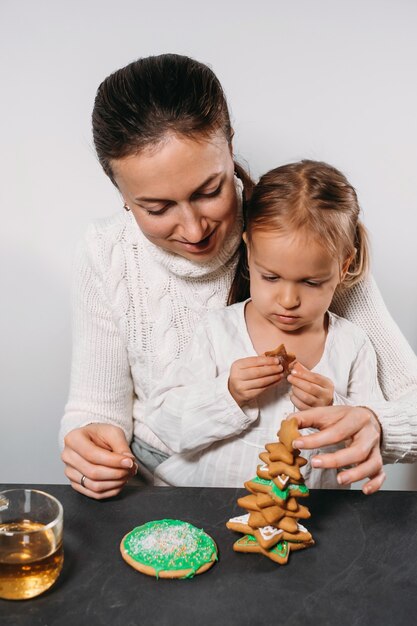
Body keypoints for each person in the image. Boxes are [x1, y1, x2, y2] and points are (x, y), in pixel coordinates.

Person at [60, 53, 417, 499]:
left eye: (209, 191)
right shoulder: (105, 251)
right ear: (122, 195)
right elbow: (96, 409)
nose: (193, 230)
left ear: (230, 146)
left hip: (306, 503)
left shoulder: (303, 235)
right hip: (163, 493)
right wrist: (89, 444)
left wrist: (377, 424)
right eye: (156, 208)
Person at [143, 160, 386, 488]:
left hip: (307, 516)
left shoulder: (353, 346)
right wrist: (227, 392)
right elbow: (166, 423)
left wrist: (333, 407)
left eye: (311, 283)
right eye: (270, 277)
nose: (288, 300)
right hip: (204, 502)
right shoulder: (218, 331)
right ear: (249, 250)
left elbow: (364, 445)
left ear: (343, 268)